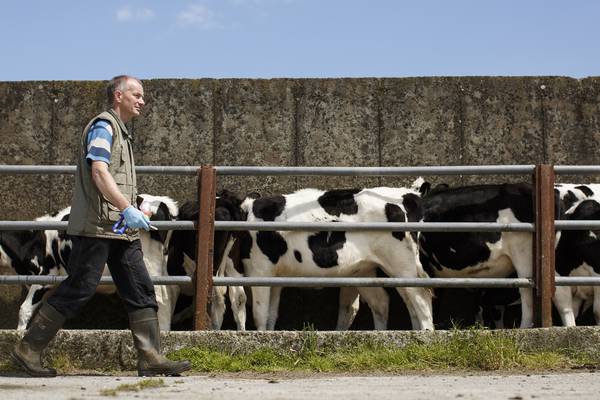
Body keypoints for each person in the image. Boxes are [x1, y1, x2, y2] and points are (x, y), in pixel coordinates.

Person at [11, 75, 191, 377]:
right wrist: (126, 207)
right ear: (118, 95)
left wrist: (129, 212)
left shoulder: (121, 133)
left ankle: (150, 357)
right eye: (136, 94)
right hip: (97, 228)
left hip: (120, 229)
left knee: (140, 288)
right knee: (79, 288)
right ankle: (27, 349)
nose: (142, 101)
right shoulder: (104, 127)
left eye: (142, 96)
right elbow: (98, 171)